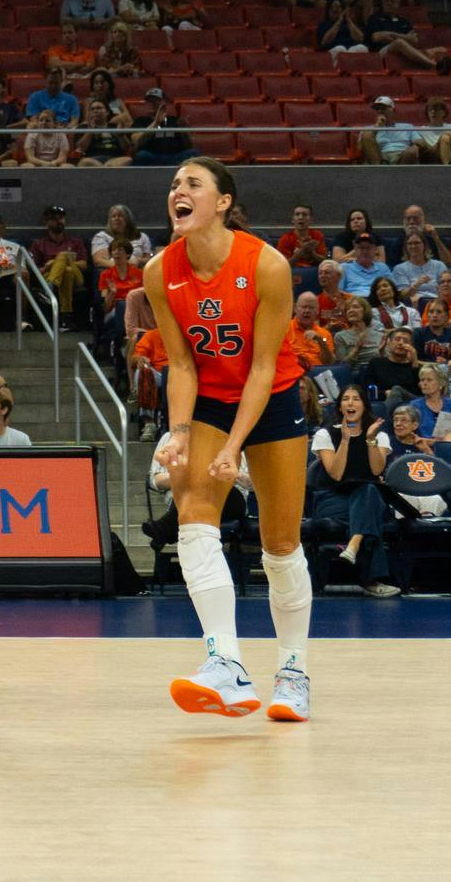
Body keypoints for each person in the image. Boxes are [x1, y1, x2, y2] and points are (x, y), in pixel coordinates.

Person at [147, 158, 313, 722]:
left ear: (222, 202)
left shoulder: (266, 264)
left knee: (281, 542)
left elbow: (264, 368)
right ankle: (226, 663)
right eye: (174, 185)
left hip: (272, 398)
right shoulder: (158, 271)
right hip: (209, 399)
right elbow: (179, 364)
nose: (179, 192)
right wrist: (179, 432)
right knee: (193, 510)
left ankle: (292, 672)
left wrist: (233, 447)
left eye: (193, 184)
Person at [310, 387, 400, 598]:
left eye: (356, 399)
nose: (351, 403)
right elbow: (336, 474)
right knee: (370, 510)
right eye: (346, 399)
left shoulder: (379, 435)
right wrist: (344, 439)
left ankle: (354, 544)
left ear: (364, 405)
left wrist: (370, 440)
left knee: (368, 491)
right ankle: (372, 580)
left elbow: (377, 470)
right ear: (340, 406)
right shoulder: (325, 434)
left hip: (368, 498)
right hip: (333, 499)